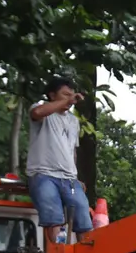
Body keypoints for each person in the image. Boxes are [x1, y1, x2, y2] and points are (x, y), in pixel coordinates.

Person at [27, 76, 93, 244]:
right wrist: (64, 102)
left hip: (69, 179)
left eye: (72, 95)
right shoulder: (40, 109)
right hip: (44, 175)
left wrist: (76, 176)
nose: (70, 99)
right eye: (65, 94)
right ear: (52, 95)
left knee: (83, 218)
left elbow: (72, 150)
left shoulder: (73, 120)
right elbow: (38, 113)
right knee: (54, 219)